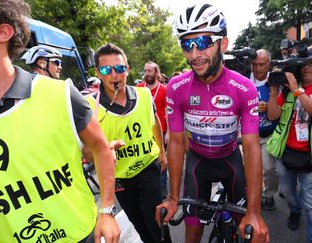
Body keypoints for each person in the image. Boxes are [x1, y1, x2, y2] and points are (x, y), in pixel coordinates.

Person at [0, 1, 120, 242]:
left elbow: (101, 148)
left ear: (2, 31)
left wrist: (106, 210)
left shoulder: (61, 94)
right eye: (57, 63)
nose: (59, 68)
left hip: (79, 235)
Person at [156, 3, 269, 243]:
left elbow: (250, 147)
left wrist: (255, 213)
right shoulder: (176, 87)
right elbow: (175, 142)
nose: (195, 54)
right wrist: (173, 197)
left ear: (223, 44)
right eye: (187, 44)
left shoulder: (244, 88)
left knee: (248, 231)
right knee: (192, 234)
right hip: (198, 164)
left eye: (204, 42)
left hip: (231, 162)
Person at [86, 43, 171, 243]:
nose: (115, 75)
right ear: (98, 73)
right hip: (120, 178)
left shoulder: (144, 95)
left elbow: (154, 121)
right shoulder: (90, 106)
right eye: (107, 70)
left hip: (147, 169)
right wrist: (105, 150)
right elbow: (87, 153)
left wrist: (161, 152)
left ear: (128, 69)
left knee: (156, 223)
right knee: (139, 223)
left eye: (120, 68)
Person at [267, 48, 312, 243]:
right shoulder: (288, 89)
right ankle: (295, 210)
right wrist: (274, 92)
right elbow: (273, 115)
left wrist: (296, 90)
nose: (307, 67)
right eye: (304, 63)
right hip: (286, 153)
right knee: (288, 193)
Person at [250, 49, 279, 211]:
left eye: (262, 65)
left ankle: (269, 194)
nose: (258, 68)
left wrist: (270, 107)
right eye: (254, 65)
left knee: (269, 168)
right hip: (249, 134)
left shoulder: (275, 81)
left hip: (269, 133)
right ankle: (255, 196)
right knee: (252, 169)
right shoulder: (245, 80)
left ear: (269, 64)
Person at [136, 61, 169, 199]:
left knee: (160, 160)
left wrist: (168, 133)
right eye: (145, 71)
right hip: (143, 132)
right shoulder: (138, 88)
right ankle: (147, 188)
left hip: (160, 131)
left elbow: (168, 112)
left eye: (150, 71)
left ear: (157, 73)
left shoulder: (164, 90)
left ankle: (161, 192)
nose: (147, 73)